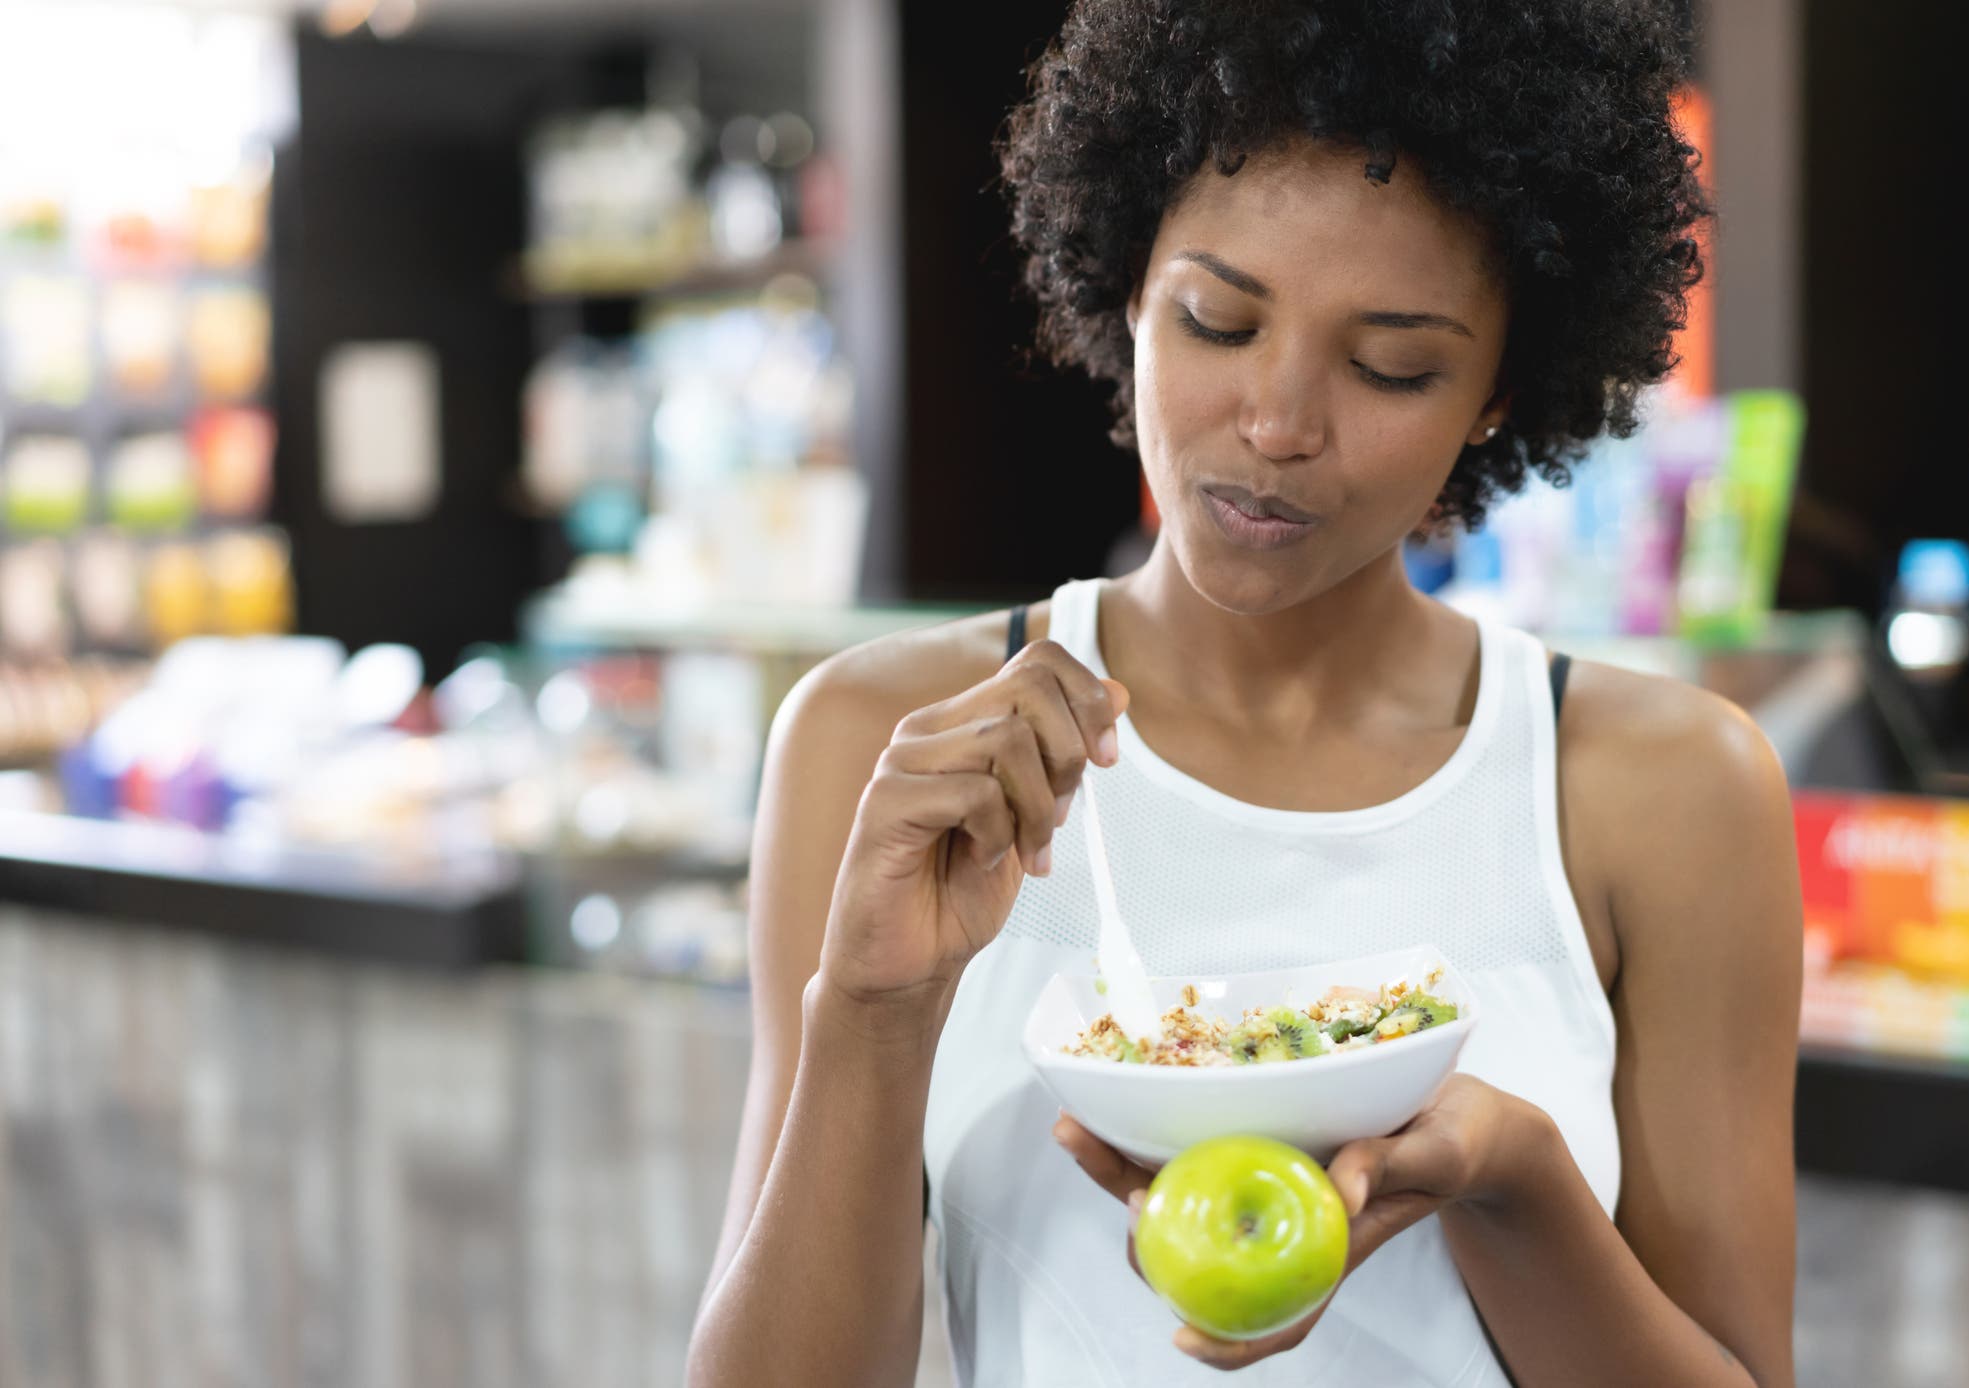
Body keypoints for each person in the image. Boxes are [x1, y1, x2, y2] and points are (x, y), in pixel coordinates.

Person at [688, 0, 1801, 1383]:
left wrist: (1513, 1180)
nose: (1277, 426)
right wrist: (871, 1012)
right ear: (1128, 286)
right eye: (1218, 321)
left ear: (1504, 390)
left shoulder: (1662, 789)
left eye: (1392, 363)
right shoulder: (890, 746)